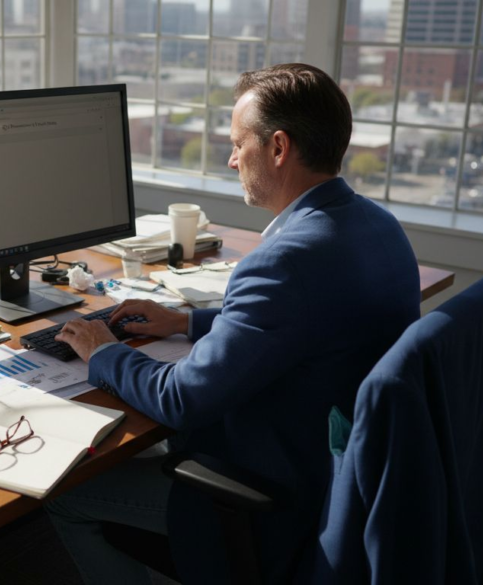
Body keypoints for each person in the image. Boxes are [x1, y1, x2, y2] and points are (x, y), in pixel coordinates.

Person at [45, 63, 421, 584]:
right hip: (348, 471)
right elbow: (309, 322)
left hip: (280, 497)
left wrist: (104, 349)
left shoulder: (283, 261)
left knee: (68, 497)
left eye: (238, 143)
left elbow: (183, 399)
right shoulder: (376, 225)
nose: (231, 158)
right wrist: (185, 321)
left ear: (279, 148)